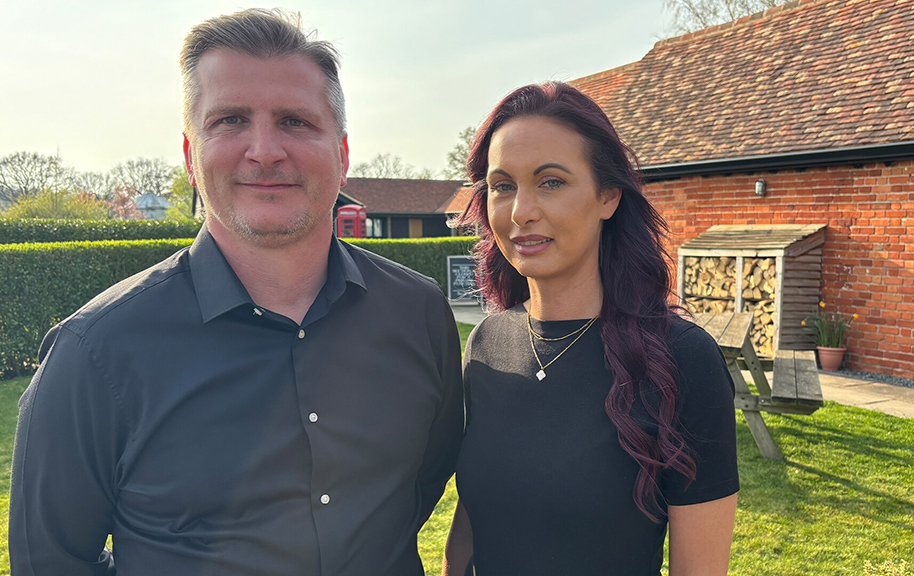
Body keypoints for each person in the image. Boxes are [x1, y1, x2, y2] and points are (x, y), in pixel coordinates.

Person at [9, 9, 463, 576]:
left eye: (295, 121)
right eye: (230, 120)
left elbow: (420, 486)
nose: (265, 151)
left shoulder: (418, 312)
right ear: (190, 157)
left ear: (343, 155)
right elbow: (50, 561)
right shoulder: (94, 352)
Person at [442, 82, 738, 576]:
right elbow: (473, 523)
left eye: (551, 182)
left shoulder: (681, 359)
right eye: (503, 186)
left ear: (608, 196)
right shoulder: (486, 345)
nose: (521, 211)